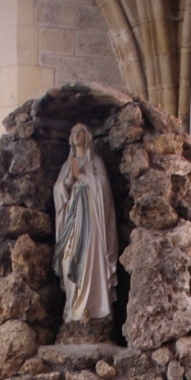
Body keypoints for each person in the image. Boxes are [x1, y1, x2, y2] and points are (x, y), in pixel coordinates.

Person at [52, 123, 118, 323]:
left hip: (92, 219)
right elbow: (58, 190)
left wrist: (82, 176)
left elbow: (104, 189)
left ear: (87, 136)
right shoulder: (67, 164)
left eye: (80, 132)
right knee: (68, 258)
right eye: (72, 132)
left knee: (90, 257)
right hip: (73, 218)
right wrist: (68, 181)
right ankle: (73, 309)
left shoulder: (95, 161)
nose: (76, 135)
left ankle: (94, 309)